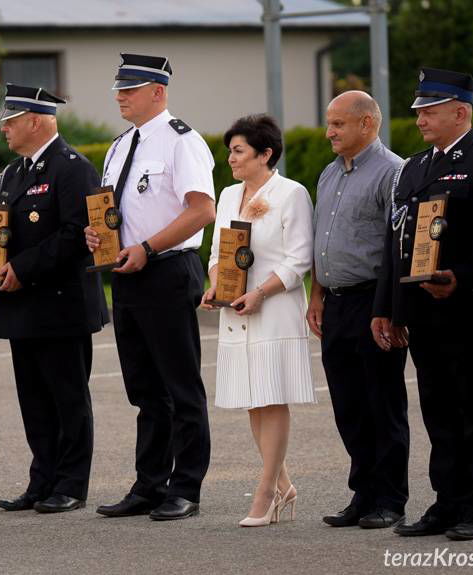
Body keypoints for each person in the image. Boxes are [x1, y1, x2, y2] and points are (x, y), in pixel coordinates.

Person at [373, 68, 473, 541]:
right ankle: (448, 500)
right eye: (418, 110)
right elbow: (395, 240)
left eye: (430, 110)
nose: (419, 118)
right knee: (438, 411)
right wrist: (387, 307)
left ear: (460, 111)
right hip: (424, 311)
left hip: (471, 308)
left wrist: (462, 276)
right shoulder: (414, 168)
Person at [85, 54, 216, 521]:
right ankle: (150, 483)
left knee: (181, 386)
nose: (121, 96)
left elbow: (201, 210)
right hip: (127, 273)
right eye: (119, 89)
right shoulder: (120, 145)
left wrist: (147, 246)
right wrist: (100, 236)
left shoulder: (183, 142)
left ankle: (186, 487)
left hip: (165, 270)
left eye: (131, 89)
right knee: (144, 389)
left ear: (158, 92)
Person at [0, 84, 108, 514]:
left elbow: (75, 235)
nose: (4, 129)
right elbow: (1, 232)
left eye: (10, 120)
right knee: (33, 399)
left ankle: (70, 484)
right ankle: (42, 480)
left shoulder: (72, 168)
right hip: (22, 305)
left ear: (35, 121)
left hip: (60, 304)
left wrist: (22, 269)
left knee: (68, 397)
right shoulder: (13, 173)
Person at [200, 114, 315, 527]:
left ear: (265, 154)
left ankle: (265, 493)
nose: (231, 158)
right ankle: (283, 484)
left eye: (238, 151)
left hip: (275, 310)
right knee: (252, 398)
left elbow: (299, 258)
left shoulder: (292, 194)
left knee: (272, 396)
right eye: (230, 150)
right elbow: (216, 255)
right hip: (237, 313)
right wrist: (217, 288)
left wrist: (259, 293)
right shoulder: (229, 194)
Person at [308, 91, 409, 530]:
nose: (329, 132)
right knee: (348, 405)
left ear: (367, 124)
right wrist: (316, 296)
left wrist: (389, 308)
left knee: (381, 403)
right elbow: (320, 243)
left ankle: (390, 499)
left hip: (374, 303)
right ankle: (363, 492)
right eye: (329, 123)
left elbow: (398, 248)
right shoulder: (329, 174)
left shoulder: (394, 173)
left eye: (338, 124)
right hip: (336, 304)